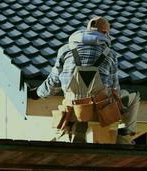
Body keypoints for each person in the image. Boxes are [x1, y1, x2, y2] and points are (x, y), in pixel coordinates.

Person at [29, 16, 140, 144]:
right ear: (105, 33)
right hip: (102, 111)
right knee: (134, 96)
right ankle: (123, 138)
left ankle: (79, 134)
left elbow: (53, 84)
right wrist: (118, 108)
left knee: (80, 96)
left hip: (74, 110)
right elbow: (115, 89)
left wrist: (36, 93)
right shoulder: (110, 54)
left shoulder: (65, 50)